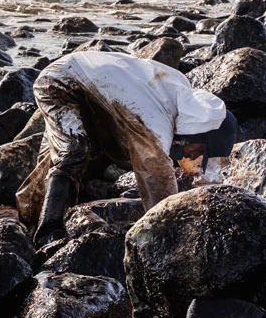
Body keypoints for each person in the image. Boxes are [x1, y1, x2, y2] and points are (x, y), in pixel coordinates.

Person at [17, 50, 237, 248]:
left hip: (93, 92)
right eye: (199, 151)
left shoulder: (177, 98)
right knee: (72, 151)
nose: (194, 157)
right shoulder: (155, 121)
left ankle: (28, 216)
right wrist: (168, 231)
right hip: (63, 82)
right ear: (197, 136)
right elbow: (156, 177)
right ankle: (48, 233)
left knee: (63, 154)